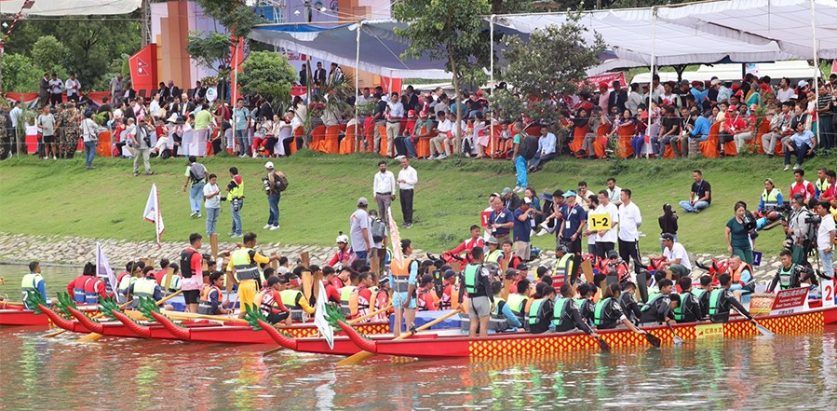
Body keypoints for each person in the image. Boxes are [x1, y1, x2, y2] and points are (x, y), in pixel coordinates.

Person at [226, 232, 279, 318]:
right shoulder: (251, 253)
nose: (255, 243)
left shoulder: (235, 254)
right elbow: (265, 260)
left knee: (243, 310)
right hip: (252, 284)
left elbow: (228, 271)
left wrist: (236, 283)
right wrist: (276, 257)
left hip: (242, 285)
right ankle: (257, 329)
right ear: (250, 242)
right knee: (256, 308)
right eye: (254, 241)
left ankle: (238, 326)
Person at [390, 239, 420, 337]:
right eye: (411, 246)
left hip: (396, 294)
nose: (412, 248)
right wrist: (408, 298)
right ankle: (408, 348)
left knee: (397, 323)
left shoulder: (393, 262)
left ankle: (396, 346)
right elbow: (411, 282)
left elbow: (391, 282)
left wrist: (392, 296)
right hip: (408, 295)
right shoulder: (412, 263)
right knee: (409, 324)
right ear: (407, 249)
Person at [464, 247, 493, 337]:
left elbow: (462, 285)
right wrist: (492, 300)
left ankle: (471, 347)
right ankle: (483, 348)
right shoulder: (482, 269)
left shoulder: (467, 268)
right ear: (481, 255)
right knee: (483, 326)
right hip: (482, 299)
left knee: (473, 325)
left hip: (470, 300)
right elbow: (487, 286)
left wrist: (459, 301)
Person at [618, 189, 643, 273]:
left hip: (631, 238)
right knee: (624, 258)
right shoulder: (621, 207)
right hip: (622, 237)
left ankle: (638, 273)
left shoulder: (634, 208)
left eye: (622, 195)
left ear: (627, 196)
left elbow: (638, 222)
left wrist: (632, 229)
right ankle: (625, 273)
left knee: (635, 257)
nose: (620, 197)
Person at [179, 233, 204, 313]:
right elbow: (199, 273)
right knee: (194, 310)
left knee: (188, 307)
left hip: (185, 284)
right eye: (200, 241)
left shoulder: (183, 253)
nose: (201, 243)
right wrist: (201, 288)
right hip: (194, 285)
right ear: (197, 242)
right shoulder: (197, 256)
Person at [595, 190, 620, 258]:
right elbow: (595, 221)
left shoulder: (612, 207)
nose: (600, 200)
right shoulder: (599, 208)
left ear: (606, 197)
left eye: (602, 198)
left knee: (610, 257)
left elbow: (615, 221)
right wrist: (598, 231)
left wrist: (605, 231)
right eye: (599, 198)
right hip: (599, 238)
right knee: (600, 257)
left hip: (609, 237)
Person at [263, 161, 286, 230]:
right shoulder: (276, 173)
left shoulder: (271, 174)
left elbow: (272, 184)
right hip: (277, 193)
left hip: (273, 193)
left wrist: (270, 191)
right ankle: (270, 222)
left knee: (274, 209)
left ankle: (276, 224)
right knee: (272, 208)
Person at [350, 197, 374, 262]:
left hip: (356, 245)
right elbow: (364, 229)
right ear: (367, 206)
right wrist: (368, 243)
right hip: (362, 246)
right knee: (363, 267)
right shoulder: (363, 214)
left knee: (358, 266)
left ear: (357, 205)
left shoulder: (353, 215)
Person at [815, 200, 835, 278]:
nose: (818, 210)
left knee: (828, 269)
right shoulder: (824, 219)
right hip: (823, 248)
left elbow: (832, 232)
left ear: (825, 209)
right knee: (827, 268)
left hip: (826, 248)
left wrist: (830, 246)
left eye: (820, 208)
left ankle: (831, 285)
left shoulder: (828, 219)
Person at [397, 157, 417, 228]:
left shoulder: (412, 170)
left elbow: (415, 181)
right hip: (402, 190)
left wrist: (406, 181)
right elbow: (398, 180)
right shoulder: (401, 171)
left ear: (408, 162)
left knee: (408, 206)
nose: (404, 164)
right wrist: (399, 182)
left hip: (408, 190)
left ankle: (409, 221)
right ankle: (405, 221)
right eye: (402, 162)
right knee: (403, 206)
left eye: (405, 162)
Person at [225, 167, 245, 238]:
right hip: (240, 199)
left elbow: (227, 188)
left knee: (236, 216)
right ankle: (233, 231)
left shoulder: (234, 180)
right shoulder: (240, 178)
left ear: (231, 173)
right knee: (235, 216)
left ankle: (238, 232)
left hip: (235, 200)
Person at [203, 173, 221, 239]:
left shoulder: (216, 186)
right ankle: (209, 232)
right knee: (210, 219)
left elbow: (218, 194)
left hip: (216, 205)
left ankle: (213, 232)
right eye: (213, 180)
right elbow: (207, 196)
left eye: (215, 180)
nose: (214, 181)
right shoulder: (206, 187)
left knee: (215, 219)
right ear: (209, 180)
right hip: (210, 206)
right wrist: (214, 193)